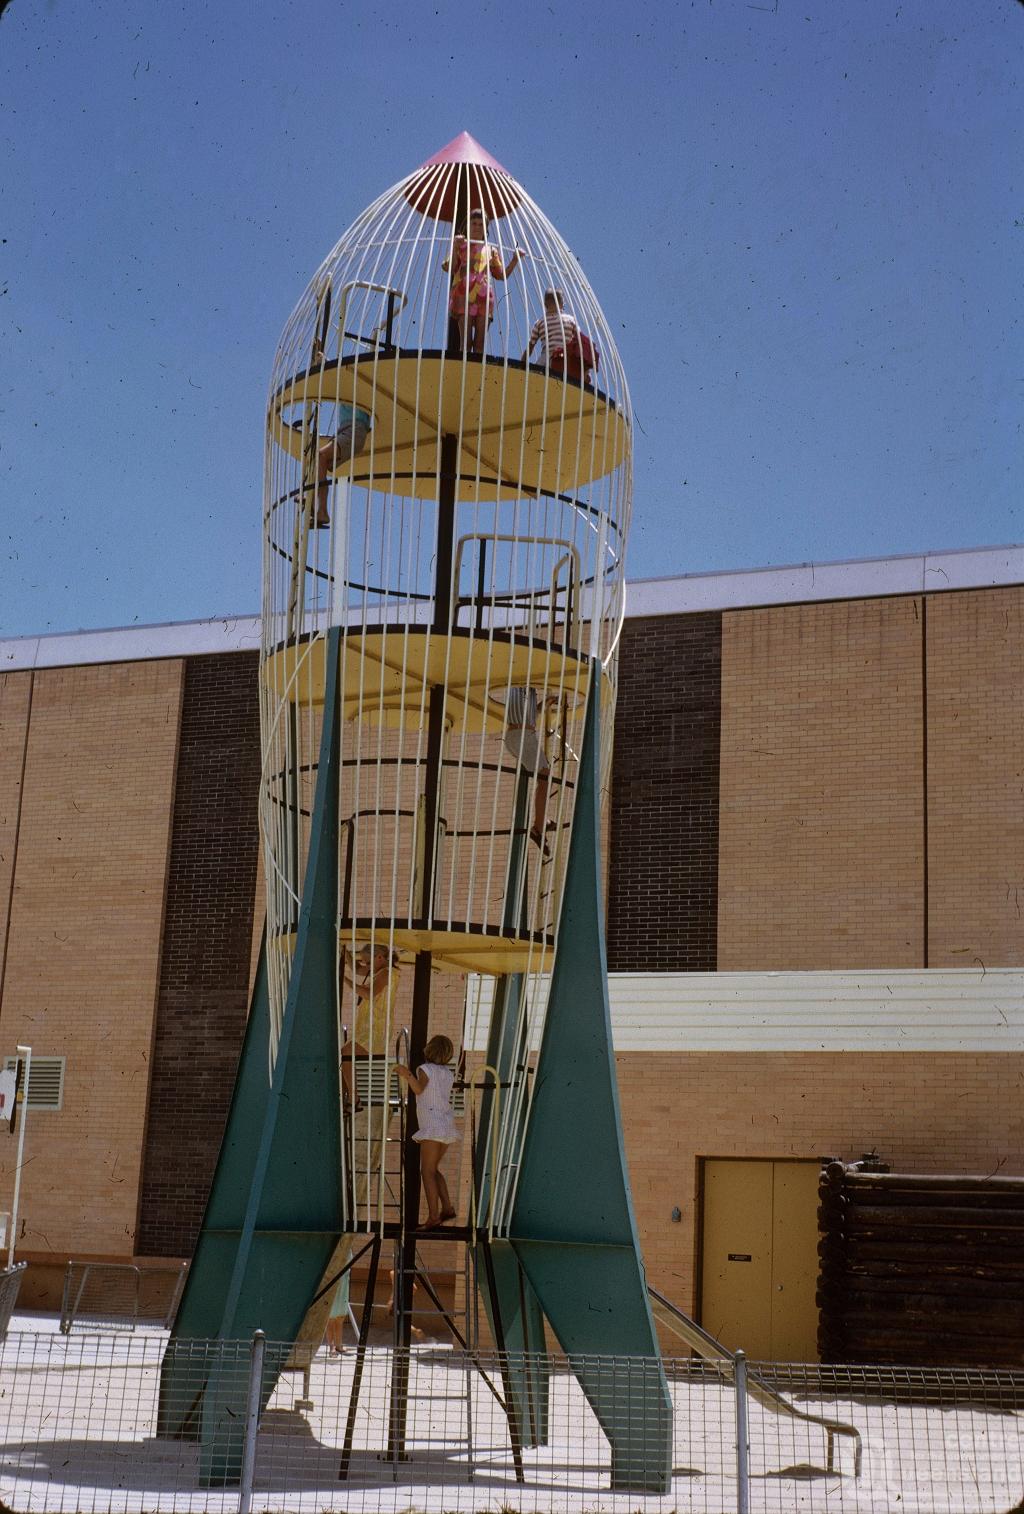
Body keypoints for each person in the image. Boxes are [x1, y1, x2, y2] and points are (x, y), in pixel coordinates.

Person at [394, 1034, 458, 1229]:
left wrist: (407, 1074)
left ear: (429, 1050)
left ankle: (433, 1216)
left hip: (431, 1124)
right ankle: (447, 1208)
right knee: (434, 1169)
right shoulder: (448, 1073)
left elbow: (419, 1089)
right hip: (446, 1124)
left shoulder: (425, 1069)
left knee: (427, 1171)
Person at [443, 209, 521, 355]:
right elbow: (451, 268)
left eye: (481, 224)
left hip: (484, 298)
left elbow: (501, 275)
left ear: (485, 228)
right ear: (468, 226)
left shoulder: (491, 250)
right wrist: (454, 247)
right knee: (465, 343)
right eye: (474, 224)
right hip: (463, 296)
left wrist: (515, 260)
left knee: (479, 344)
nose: (477, 227)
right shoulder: (460, 246)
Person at [338, 942, 399, 1110]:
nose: (366, 965)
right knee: (345, 1056)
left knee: (346, 1053)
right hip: (367, 1027)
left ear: (379, 957)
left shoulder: (386, 973)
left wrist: (346, 980)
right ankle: (347, 1096)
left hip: (375, 1028)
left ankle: (354, 1097)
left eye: (368, 962)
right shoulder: (378, 970)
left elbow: (369, 993)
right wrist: (345, 951)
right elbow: (357, 969)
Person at [503, 686, 557, 856]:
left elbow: (529, 716)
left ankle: (542, 822)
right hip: (522, 736)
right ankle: (539, 827)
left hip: (520, 735)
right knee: (545, 778)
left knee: (544, 778)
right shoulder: (519, 684)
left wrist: (544, 705)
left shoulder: (528, 692)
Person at [313, 404, 372, 528]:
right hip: (346, 429)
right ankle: (321, 509)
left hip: (356, 428)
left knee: (320, 456)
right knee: (319, 464)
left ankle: (316, 503)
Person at [522, 288, 578, 366]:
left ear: (545, 304)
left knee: (537, 373)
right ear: (562, 304)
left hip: (546, 358)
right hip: (565, 359)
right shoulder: (571, 320)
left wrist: (522, 362)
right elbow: (579, 339)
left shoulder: (540, 322)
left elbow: (531, 345)